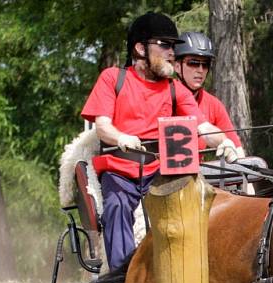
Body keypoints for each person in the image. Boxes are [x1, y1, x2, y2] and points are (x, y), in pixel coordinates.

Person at [81, 12, 239, 269]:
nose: (171, 53)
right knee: (116, 205)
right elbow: (102, 126)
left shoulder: (174, 88)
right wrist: (121, 137)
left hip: (159, 173)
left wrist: (224, 142)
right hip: (120, 173)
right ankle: (123, 280)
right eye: (164, 45)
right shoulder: (113, 78)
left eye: (174, 47)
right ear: (140, 48)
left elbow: (204, 127)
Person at [174, 31, 245, 159]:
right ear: (177, 66)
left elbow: (238, 150)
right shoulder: (163, 95)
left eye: (205, 64)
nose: (200, 70)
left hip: (196, 175)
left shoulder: (213, 104)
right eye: (193, 63)